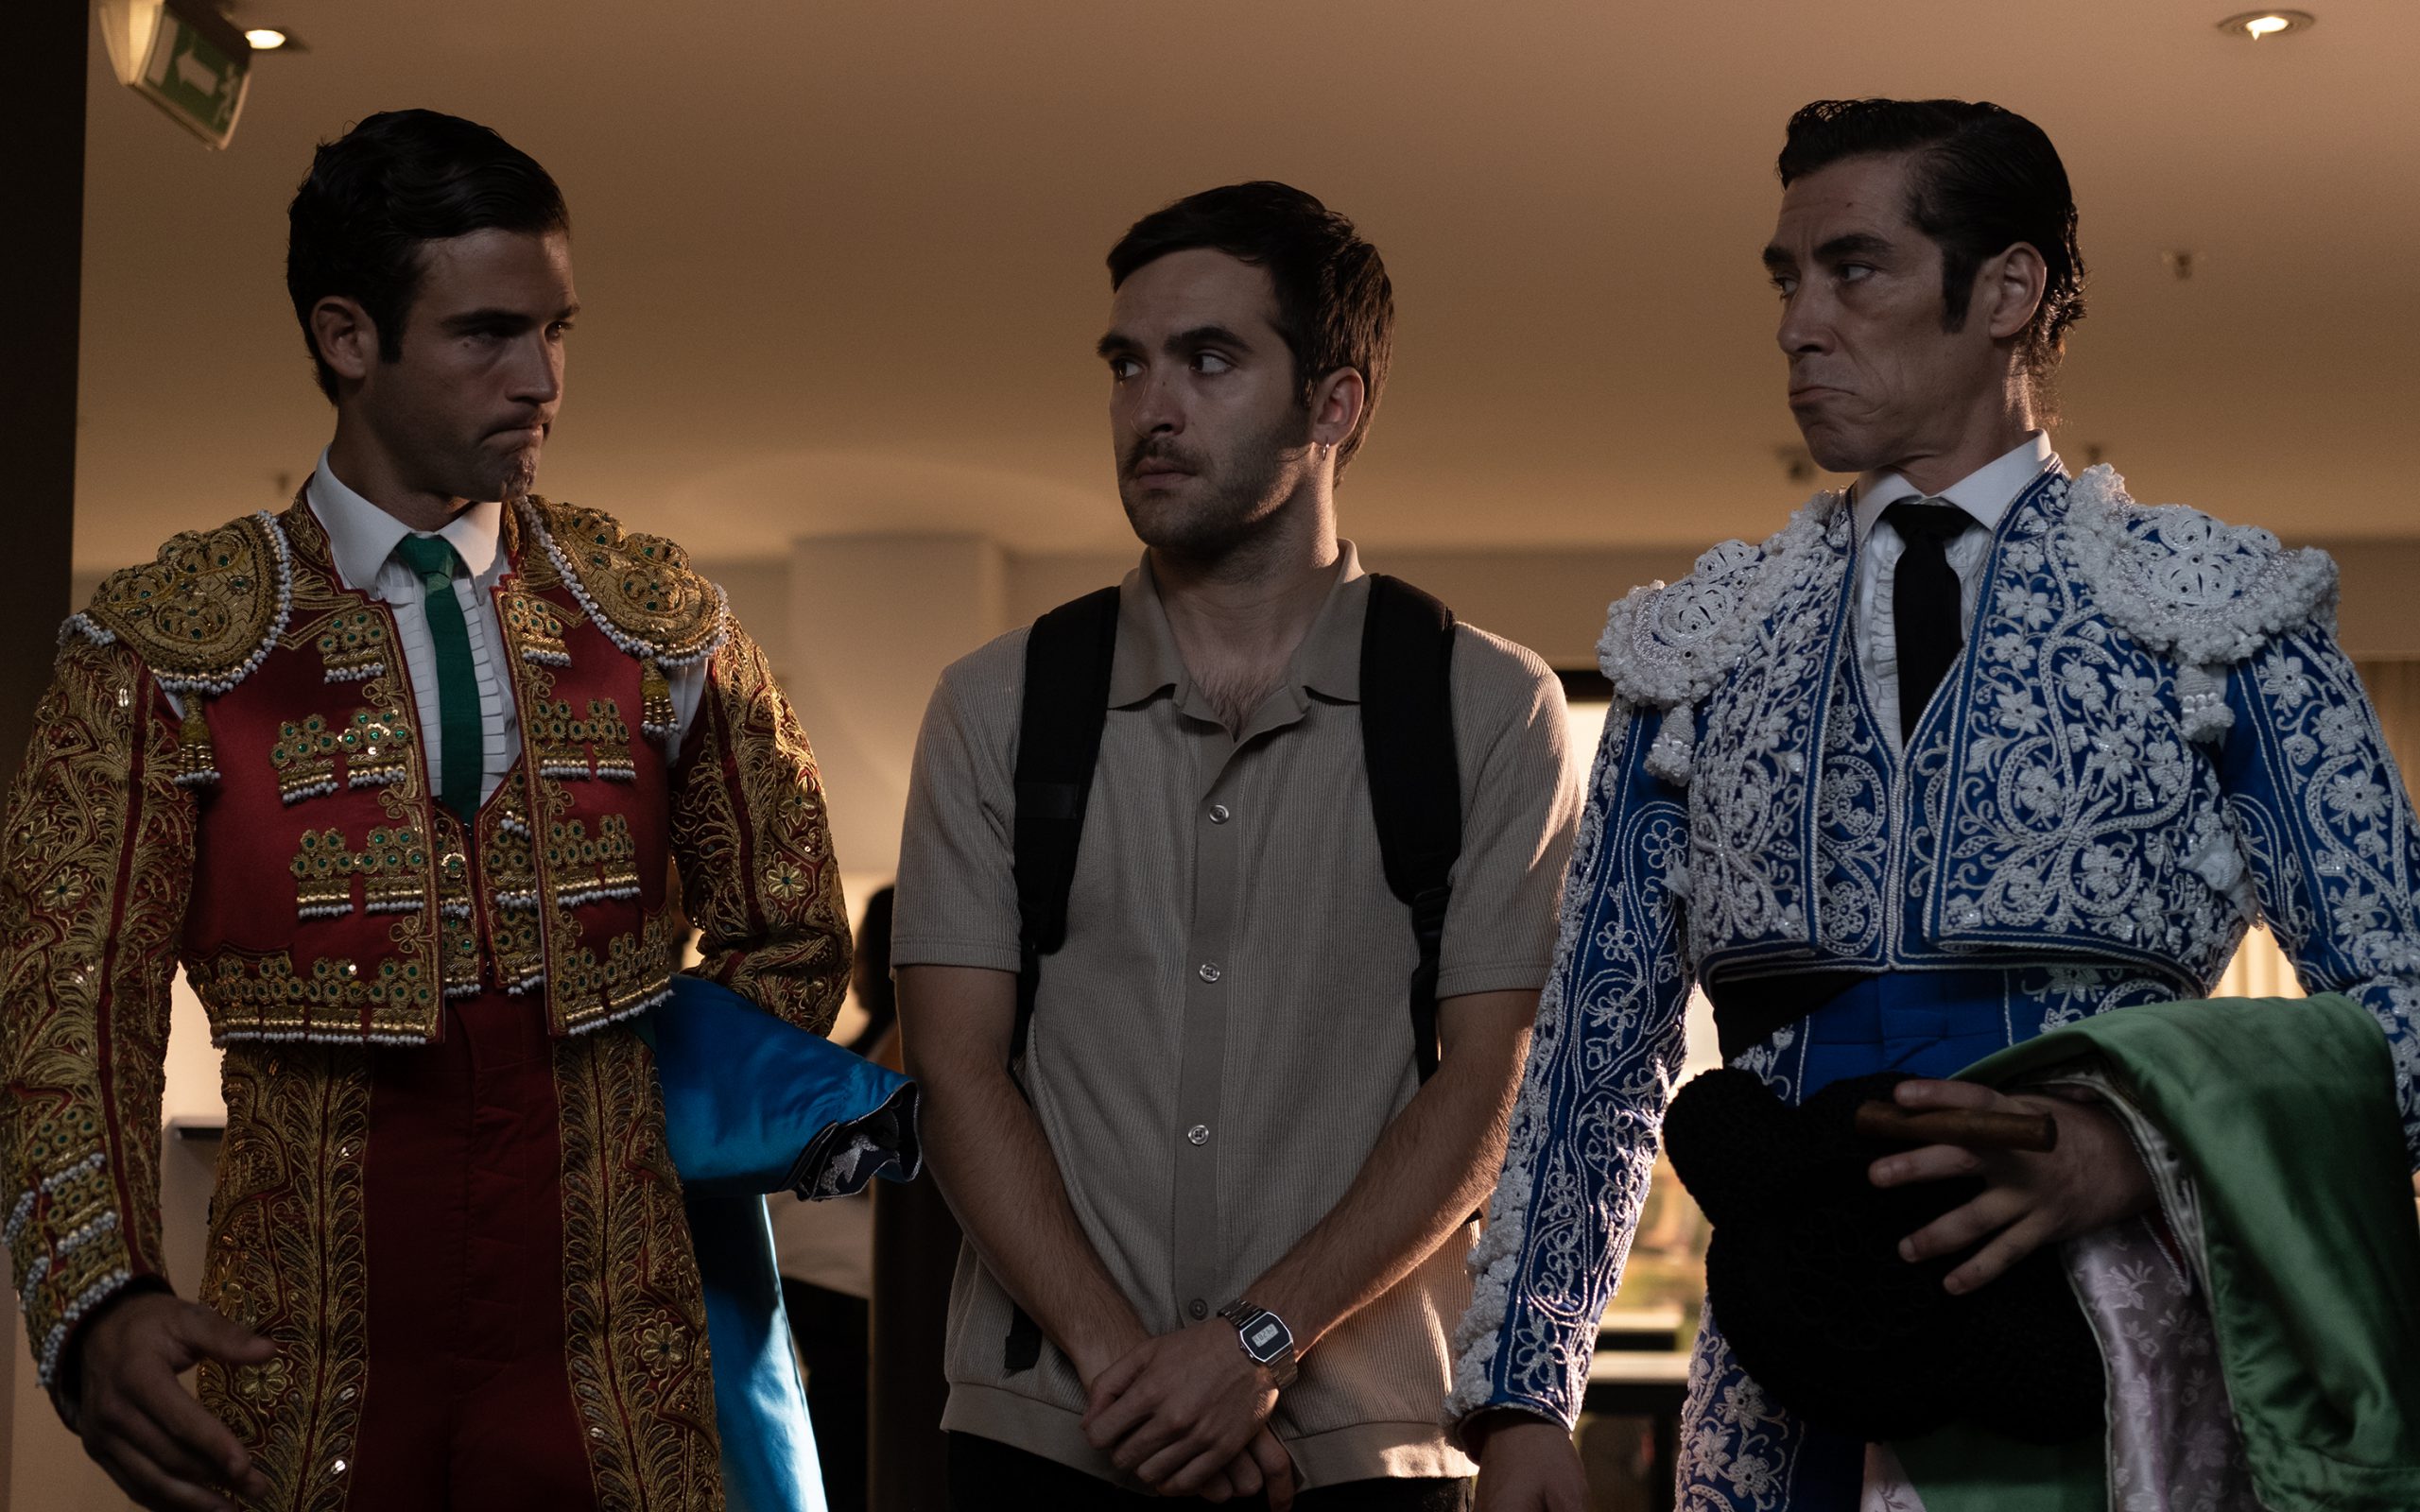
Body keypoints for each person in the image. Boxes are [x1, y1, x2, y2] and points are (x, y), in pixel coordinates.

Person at [1450, 97, 2420, 1509]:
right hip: (1786, 1379)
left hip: (2111, 1371)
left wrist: (2144, 1150)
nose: (1799, 323)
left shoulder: (2213, 616)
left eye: (1855, 269)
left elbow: (2403, 1006)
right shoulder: (1698, 649)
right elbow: (1599, 1047)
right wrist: (1525, 1401)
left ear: (2008, 292)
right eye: (1787, 279)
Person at [0, 109, 853, 1512]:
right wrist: (98, 1293)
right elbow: (67, 997)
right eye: (488, 334)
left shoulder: (657, 623)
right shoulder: (163, 650)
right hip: (304, 1360)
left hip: (612, 1356)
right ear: (348, 337)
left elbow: (795, 930)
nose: (542, 379)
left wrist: (643, 1145)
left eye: (556, 330)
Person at [892, 182, 1580, 1509]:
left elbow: (1495, 1077)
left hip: (1363, 1447)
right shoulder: (999, 704)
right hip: (1050, 1433)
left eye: (1209, 361)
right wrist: (1133, 1374)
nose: (1151, 407)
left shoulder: (1487, 705)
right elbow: (956, 1065)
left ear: (1336, 404)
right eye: (1128, 364)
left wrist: (1254, 1345)